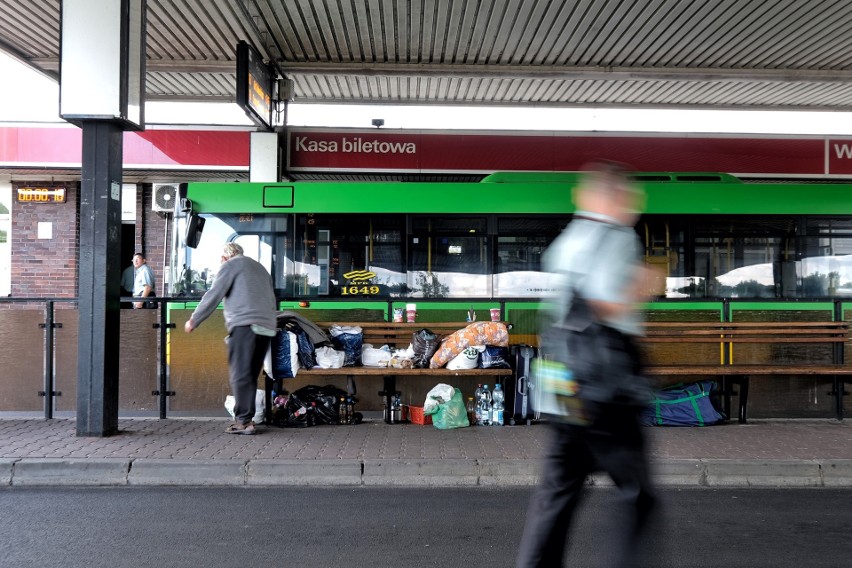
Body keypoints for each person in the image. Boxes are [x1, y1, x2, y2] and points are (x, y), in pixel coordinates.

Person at [516, 161, 662, 568]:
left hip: (563, 383)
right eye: (631, 196)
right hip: (604, 389)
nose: (636, 204)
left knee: (557, 494)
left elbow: (565, 307)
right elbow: (604, 302)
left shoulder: (570, 237)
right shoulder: (615, 236)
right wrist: (643, 284)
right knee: (638, 495)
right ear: (613, 197)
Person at [183, 242, 277, 435]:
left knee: (240, 373)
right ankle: (247, 418)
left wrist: (194, 319)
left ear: (226, 258)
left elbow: (214, 294)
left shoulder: (231, 265)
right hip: (267, 327)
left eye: (220, 260)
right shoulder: (259, 268)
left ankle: (243, 422)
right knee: (250, 374)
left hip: (246, 325)